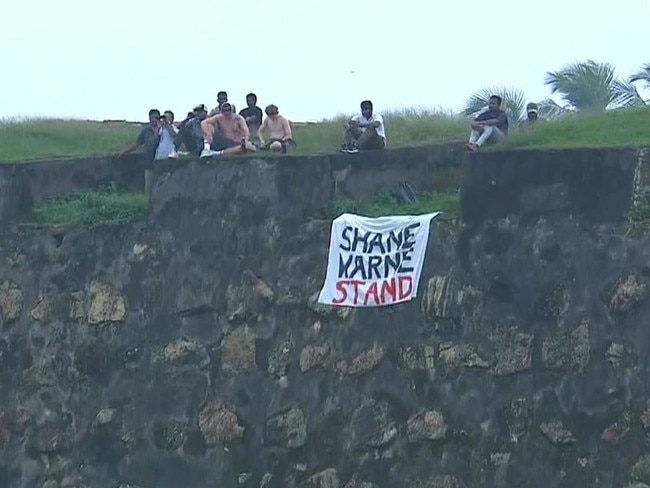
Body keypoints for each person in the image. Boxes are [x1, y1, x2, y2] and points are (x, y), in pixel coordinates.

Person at [113, 109, 161, 196]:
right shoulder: (146, 131)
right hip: (149, 163)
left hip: (162, 163)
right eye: (152, 117)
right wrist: (123, 151)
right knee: (148, 190)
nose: (154, 120)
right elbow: (137, 144)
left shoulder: (164, 130)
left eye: (156, 117)